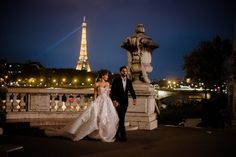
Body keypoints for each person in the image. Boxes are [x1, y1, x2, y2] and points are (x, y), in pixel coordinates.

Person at [45, 70, 119, 142]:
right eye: (106, 75)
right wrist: (94, 103)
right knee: (97, 117)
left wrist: (111, 103)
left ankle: (102, 134)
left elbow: (108, 95)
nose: (107, 76)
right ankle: (95, 133)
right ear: (103, 76)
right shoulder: (97, 84)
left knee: (105, 118)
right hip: (99, 101)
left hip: (106, 102)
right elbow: (95, 95)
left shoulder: (108, 84)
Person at [110, 66, 136, 142]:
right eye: (123, 71)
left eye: (126, 71)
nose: (125, 72)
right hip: (118, 102)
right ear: (120, 72)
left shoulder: (129, 81)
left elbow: (131, 90)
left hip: (125, 103)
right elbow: (113, 91)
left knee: (120, 119)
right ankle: (123, 136)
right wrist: (114, 100)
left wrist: (134, 98)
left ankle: (116, 134)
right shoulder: (116, 80)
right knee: (122, 119)